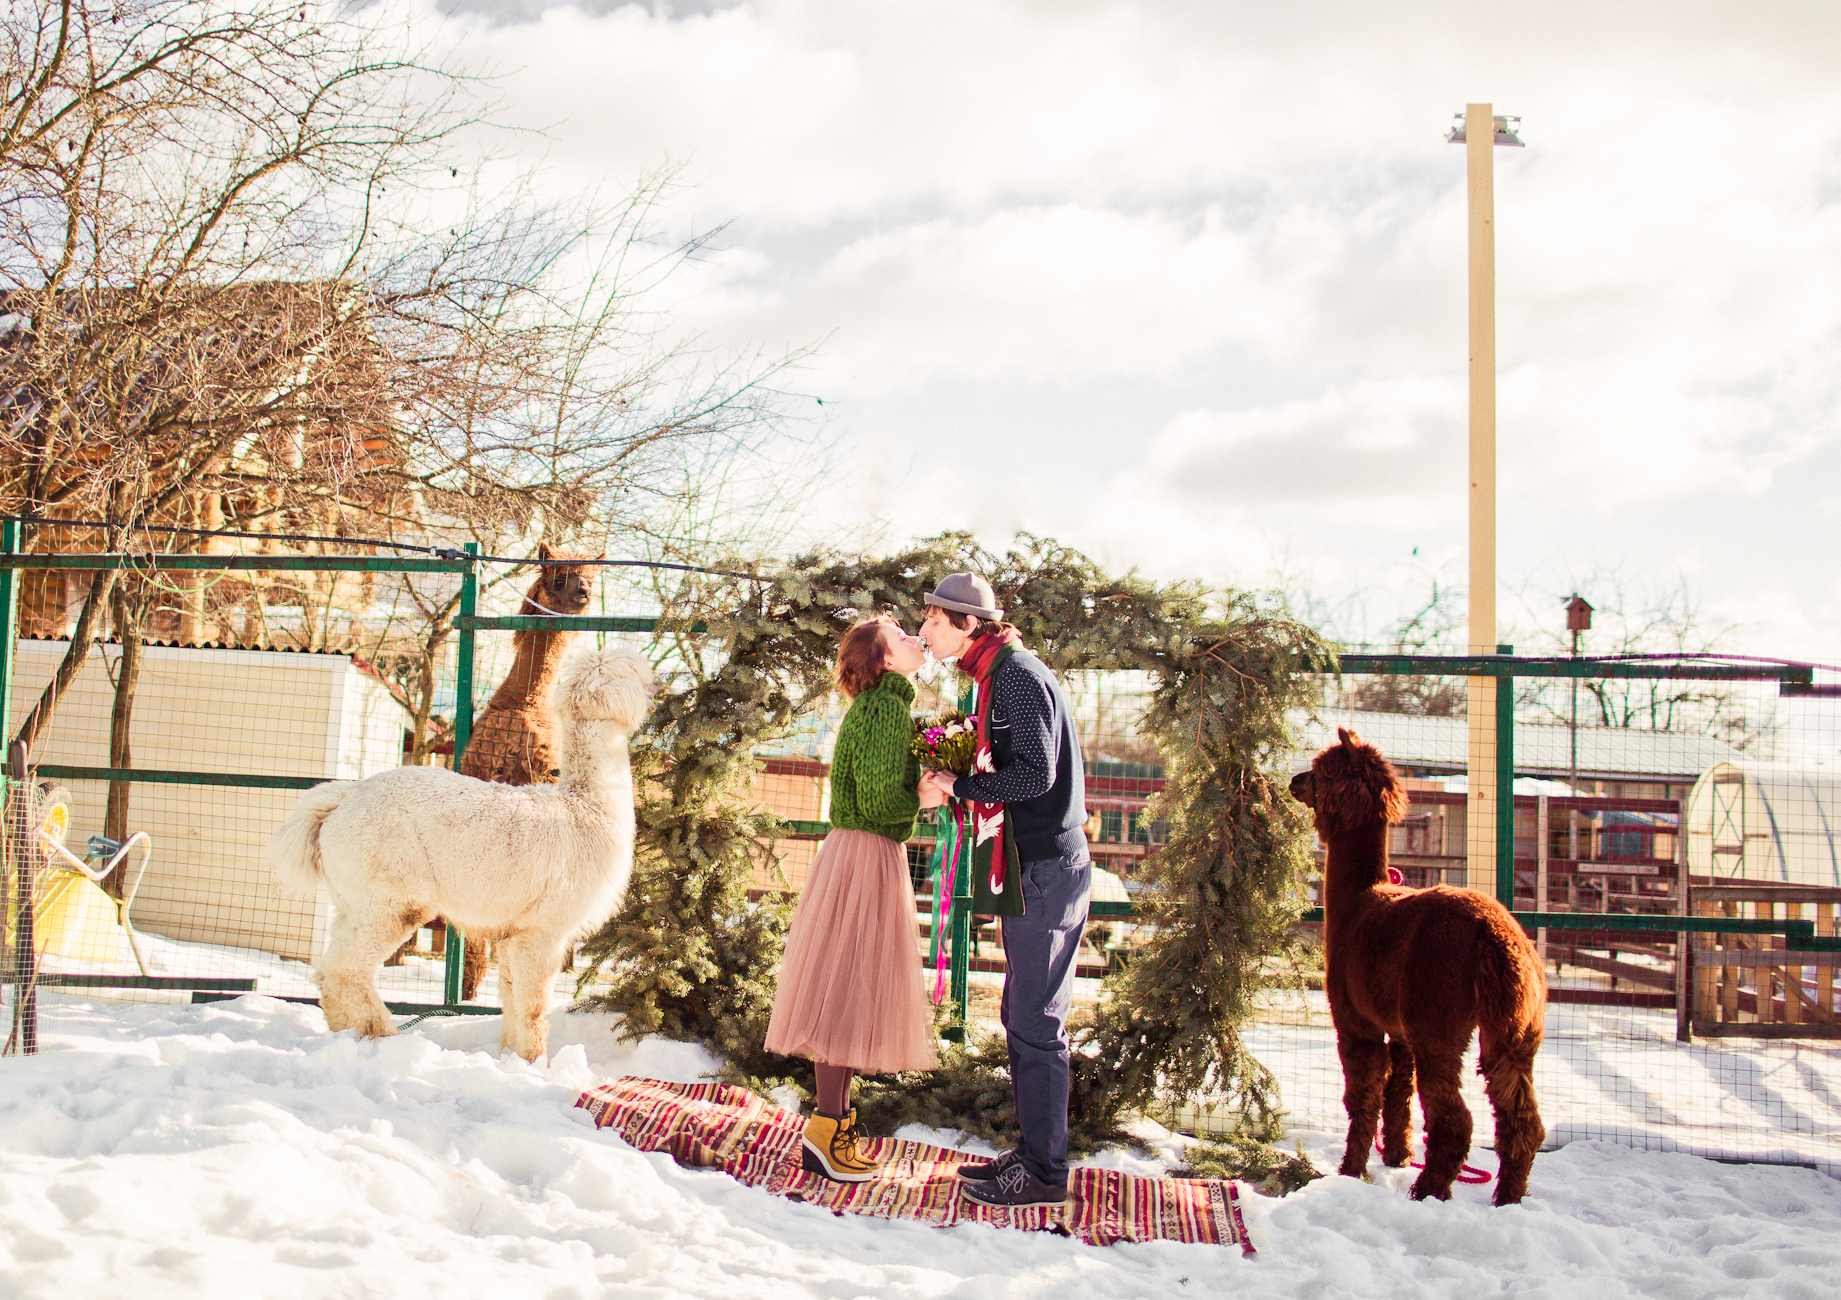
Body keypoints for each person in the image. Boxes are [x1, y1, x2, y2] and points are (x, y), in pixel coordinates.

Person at [919, 573, 1091, 1210]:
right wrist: (951, 762)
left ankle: (1045, 1177)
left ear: (968, 624)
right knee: (1023, 1016)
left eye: (934, 621)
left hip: (1046, 866)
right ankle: (1033, 1158)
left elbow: (1037, 777)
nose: (925, 631)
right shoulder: (993, 676)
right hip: (1033, 867)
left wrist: (959, 789)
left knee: (1036, 1022)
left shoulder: (1015, 673)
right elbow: (1009, 760)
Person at [765, 615, 944, 1181]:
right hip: (867, 855)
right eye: (901, 637)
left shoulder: (880, 708)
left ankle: (831, 1127)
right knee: (848, 989)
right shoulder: (886, 710)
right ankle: (825, 1130)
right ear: (885, 660)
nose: (916, 638)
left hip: (854, 854)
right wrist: (922, 795)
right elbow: (877, 800)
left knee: (845, 987)